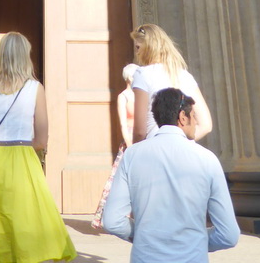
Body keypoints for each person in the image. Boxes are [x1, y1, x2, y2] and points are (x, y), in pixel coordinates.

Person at [0, 31, 75, 263]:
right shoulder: (35, 88)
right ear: (25, 56)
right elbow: (42, 140)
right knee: (25, 232)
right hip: (22, 162)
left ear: (0, 54)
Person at [102, 88, 239, 263]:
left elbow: (112, 221)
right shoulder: (207, 158)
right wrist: (193, 241)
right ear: (183, 117)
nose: (196, 122)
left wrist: (147, 236)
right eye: (194, 116)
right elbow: (229, 235)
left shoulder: (132, 155)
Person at [130, 23, 212, 142]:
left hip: (154, 145)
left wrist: (136, 152)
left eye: (138, 47)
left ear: (149, 47)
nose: (137, 53)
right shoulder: (184, 75)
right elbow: (206, 125)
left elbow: (139, 131)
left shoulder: (142, 74)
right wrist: (183, 143)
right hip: (182, 151)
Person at [91, 63, 137, 229]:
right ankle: (108, 216)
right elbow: (123, 125)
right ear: (129, 77)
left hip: (144, 138)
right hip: (130, 139)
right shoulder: (123, 97)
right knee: (118, 178)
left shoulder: (142, 94)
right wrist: (130, 145)